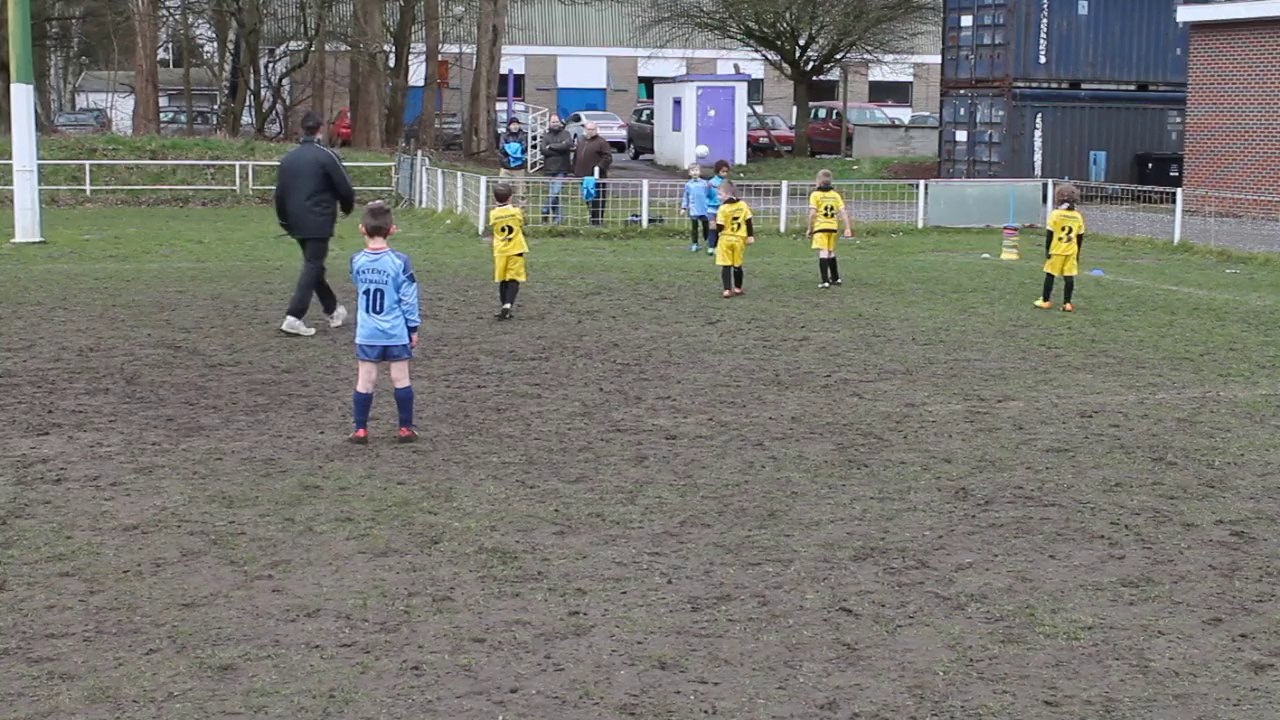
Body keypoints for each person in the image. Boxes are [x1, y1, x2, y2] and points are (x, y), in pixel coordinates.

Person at [275, 110, 356, 336]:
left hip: (295, 222)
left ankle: (333, 310)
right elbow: (344, 187)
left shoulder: (288, 159)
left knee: (314, 265)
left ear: (302, 129)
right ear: (320, 130)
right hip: (318, 220)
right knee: (312, 266)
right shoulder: (326, 156)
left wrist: (284, 220)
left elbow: (280, 194)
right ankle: (294, 315)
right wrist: (347, 207)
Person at [347, 201, 421, 444]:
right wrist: (413, 327)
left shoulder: (356, 261)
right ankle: (405, 429)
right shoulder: (400, 262)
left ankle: (360, 430)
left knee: (365, 379)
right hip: (395, 331)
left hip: (368, 331)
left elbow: (358, 285)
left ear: (362, 229)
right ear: (392, 230)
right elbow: (408, 298)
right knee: (401, 378)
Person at [1035, 183, 1086, 312]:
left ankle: (1045, 301)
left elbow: (1050, 234)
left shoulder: (1055, 214)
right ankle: (1067, 303)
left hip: (1057, 249)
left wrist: (1047, 250)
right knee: (1069, 276)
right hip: (1071, 251)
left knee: (1050, 275)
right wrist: (1078, 253)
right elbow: (1080, 237)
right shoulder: (1077, 216)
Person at [806, 169, 854, 288]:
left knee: (823, 251)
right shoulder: (835, 195)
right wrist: (847, 228)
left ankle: (824, 280)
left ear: (818, 181)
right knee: (830, 251)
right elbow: (843, 212)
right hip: (832, 226)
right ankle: (836, 277)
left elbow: (812, 214)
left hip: (820, 226)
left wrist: (809, 228)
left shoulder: (815, 195)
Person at [488, 183, 529, 320]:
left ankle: (504, 306)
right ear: (510, 198)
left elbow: (493, 225)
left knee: (503, 279)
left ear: (494, 199)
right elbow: (520, 222)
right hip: (516, 248)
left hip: (500, 250)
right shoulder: (516, 212)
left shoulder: (493, 214)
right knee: (513, 279)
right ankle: (508, 305)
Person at [713, 181, 755, 298]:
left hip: (725, 239)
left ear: (727, 194)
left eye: (720, 194)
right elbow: (748, 221)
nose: (718, 197)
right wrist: (750, 236)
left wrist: (714, 228)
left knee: (726, 265)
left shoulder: (723, 208)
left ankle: (727, 290)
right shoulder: (742, 205)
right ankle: (738, 288)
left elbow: (720, 227)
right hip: (739, 239)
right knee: (737, 265)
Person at [572, 121, 613, 225]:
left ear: (596, 130)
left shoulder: (602, 142)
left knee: (598, 199)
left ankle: (597, 220)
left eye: (592, 129)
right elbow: (576, 156)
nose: (590, 132)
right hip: (583, 176)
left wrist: (599, 168)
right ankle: (592, 217)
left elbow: (607, 157)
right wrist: (574, 169)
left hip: (597, 177)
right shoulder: (582, 141)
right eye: (588, 129)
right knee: (588, 198)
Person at [541, 114, 573, 224]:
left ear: (560, 122)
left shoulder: (566, 134)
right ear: (549, 123)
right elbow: (543, 150)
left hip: (562, 169)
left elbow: (567, 145)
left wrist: (552, 146)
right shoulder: (546, 136)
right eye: (553, 122)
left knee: (554, 193)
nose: (555, 124)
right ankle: (557, 218)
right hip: (549, 169)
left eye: (556, 121)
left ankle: (544, 211)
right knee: (555, 195)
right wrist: (559, 147)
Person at [680, 163, 710, 253]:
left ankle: (707, 241)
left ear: (700, 172)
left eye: (696, 170)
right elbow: (685, 196)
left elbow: (709, 195)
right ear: (689, 173)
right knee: (694, 227)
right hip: (694, 208)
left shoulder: (705, 183)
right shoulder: (688, 185)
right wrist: (683, 207)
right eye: (692, 170)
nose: (695, 172)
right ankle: (695, 243)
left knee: (706, 226)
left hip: (704, 208)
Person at [497, 116, 528, 202]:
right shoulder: (504, 136)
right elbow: (502, 149)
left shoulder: (523, 135)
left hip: (519, 168)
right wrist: (515, 148)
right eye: (513, 124)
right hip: (505, 167)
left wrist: (510, 147)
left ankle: (521, 213)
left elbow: (523, 148)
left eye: (517, 124)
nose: (515, 126)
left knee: (521, 193)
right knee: (502, 191)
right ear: (509, 126)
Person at [705, 159, 731, 255]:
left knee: (721, 227)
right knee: (712, 226)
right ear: (717, 171)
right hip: (711, 208)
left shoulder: (727, 183)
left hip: (723, 208)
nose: (725, 174)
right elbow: (706, 195)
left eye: (726, 172)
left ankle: (718, 245)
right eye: (723, 171)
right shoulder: (711, 182)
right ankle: (711, 246)